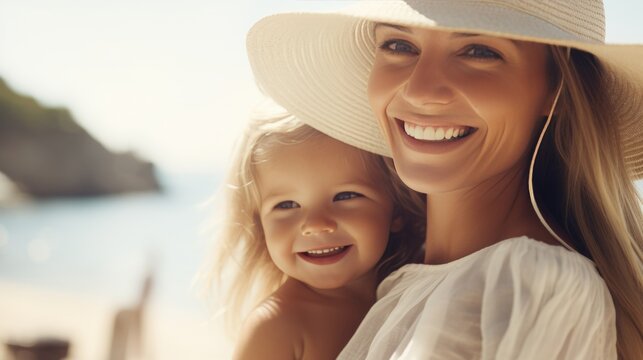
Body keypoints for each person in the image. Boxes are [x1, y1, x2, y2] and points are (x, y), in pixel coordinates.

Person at [245, 1, 643, 359]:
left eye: (479, 51)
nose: (420, 91)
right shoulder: (397, 283)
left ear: (555, 90)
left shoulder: (528, 283)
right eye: (399, 45)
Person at [211, 107, 425, 359]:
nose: (316, 224)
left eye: (345, 196)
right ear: (261, 225)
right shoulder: (278, 327)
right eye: (287, 205)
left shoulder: (414, 292)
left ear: (396, 210)